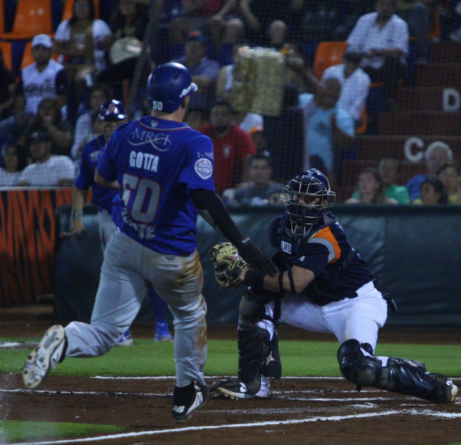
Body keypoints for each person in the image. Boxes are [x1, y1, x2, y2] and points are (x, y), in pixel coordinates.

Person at [21, 63, 278, 423]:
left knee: (103, 333)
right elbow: (204, 198)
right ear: (183, 99)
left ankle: (65, 341)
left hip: (125, 243)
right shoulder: (194, 141)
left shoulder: (125, 132)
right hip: (170, 253)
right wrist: (243, 242)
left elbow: (100, 178)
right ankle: (187, 391)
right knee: (189, 315)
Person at [210, 169, 458, 404]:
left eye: (309, 198)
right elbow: (278, 269)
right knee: (255, 300)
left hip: (355, 304)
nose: (301, 202)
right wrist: (244, 267)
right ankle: (254, 384)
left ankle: (430, 384)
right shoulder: (282, 225)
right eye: (298, 196)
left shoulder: (326, 235)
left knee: (359, 367)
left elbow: (295, 283)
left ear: (322, 202)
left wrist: (247, 275)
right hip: (316, 303)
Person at [70, 100, 173, 345]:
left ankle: (161, 325)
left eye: (117, 122)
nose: (112, 126)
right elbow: (81, 187)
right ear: (99, 124)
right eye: (108, 122)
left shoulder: (140, 144)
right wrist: (76, 220)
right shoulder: (91, 149)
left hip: (141, 215)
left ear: (125, 122)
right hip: (108, 215)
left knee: (153, 269)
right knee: (118, 272)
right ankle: (121, 330)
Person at [0, 35, 69, 142]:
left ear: (50, 52)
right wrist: (20, 114)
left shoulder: (59, 71)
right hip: (29, 115)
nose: (40, 53)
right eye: (37, 49)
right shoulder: (26, 72)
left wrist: (43, 116)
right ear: (32, 52)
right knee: (1, 128)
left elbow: (62, 101)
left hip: (52, 116)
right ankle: (15, 149)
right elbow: (19, 97)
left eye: (44, 49)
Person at [346, 0, 409, 106]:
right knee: (349, 59)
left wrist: (379, 52)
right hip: (365, 64)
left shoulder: (400, 24)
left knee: (393, 61)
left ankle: (390, 100)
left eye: (388, 5)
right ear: (376, 6)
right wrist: (363, 54)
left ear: (394, 8)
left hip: (387, 68)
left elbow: (400, 50)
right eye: (382, 4)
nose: (385, 8)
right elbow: (352, 45)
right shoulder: (364, 20)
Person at [54, 0, 113, 102]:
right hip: (69, 64)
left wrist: (105, 42)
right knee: (63, 76)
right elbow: (56, 48)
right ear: (74, 9)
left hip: (91, 64)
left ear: (91, 9)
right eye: (78, 5)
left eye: (85, 6)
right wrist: (69, 51)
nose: (81, 9)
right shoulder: (65, 26)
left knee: (80, 78)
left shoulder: (100, 25)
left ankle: (82, 103)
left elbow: (110, 44)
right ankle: (64, 106)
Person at [199, 99, 256, 192]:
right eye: (216, 114)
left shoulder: (241, 136)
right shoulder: (202, 133)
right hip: (204, 189)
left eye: (224, 114)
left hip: (232, 192)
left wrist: (244, 187)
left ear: (232, 117)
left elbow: (248, 162)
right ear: (210, 116)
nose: (220, 118)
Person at [173, 30, 220, 111]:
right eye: (190, 44)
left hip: (200, 111)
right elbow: (167, 79)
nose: (193, 48)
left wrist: (179, 81)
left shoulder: (211, 65)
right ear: (185, 47)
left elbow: (205, 81)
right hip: (176, 109)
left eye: (198, 44)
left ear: (204, 48)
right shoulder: (175, 63)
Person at [321, 50, 371, 124]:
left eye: (356, 63)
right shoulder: (330, 72)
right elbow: (321, 93)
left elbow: (357, 105)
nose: (352, 65)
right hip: (326, 112)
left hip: (348, 118)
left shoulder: (364, 79)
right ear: (344, 60)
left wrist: (344, 120)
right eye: (350, 62)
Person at [71, 84, 112, 159]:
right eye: (94, 97)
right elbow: (74, 151)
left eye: (101, 97)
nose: (97, 101)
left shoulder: (114, 119)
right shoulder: (83, 120)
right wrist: (81, 149)